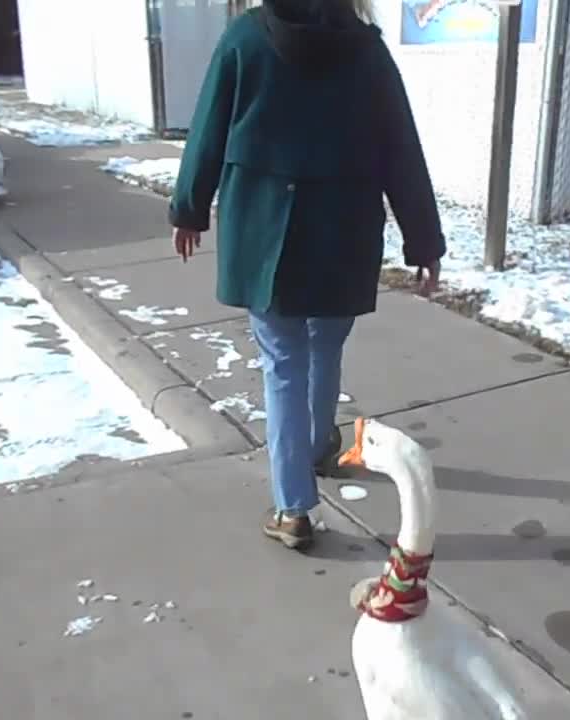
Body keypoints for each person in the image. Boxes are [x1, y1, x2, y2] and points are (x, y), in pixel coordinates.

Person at [169, 0, 444, 551]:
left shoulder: (245, 39)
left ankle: (293, 507)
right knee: (325, 345)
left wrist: (190, 207)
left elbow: (208, 128)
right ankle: (319, 447)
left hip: (266, 229)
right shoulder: (367, 50)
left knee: (283, 364)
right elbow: (401, 149)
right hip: (343, 231)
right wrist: (423, 239)